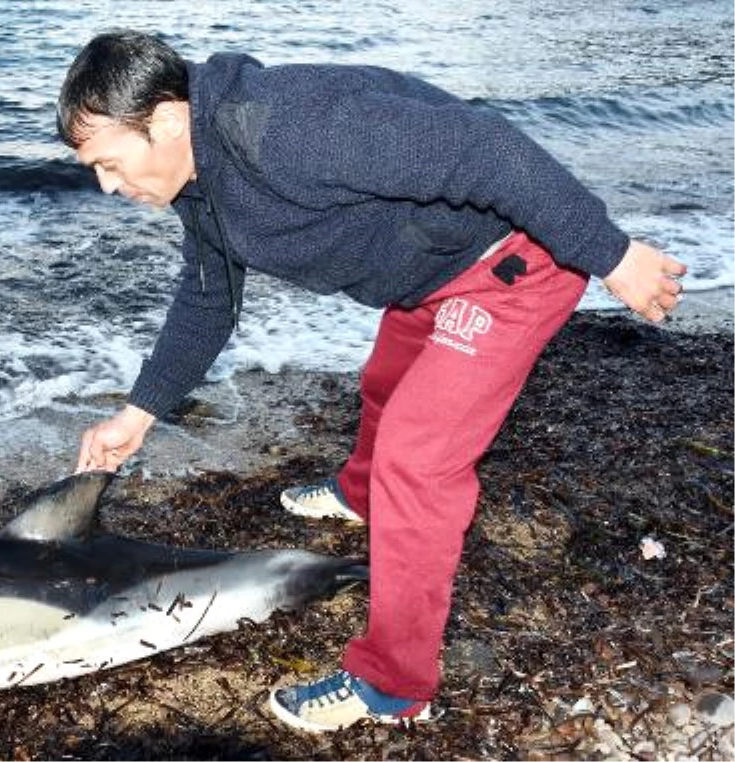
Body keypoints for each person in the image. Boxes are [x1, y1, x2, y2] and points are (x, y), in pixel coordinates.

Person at [57, 30, 686, 733]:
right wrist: (138, 415)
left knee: (416, 464)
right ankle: (359, 494)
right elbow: (209, 300)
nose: (107, 186)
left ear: (166, 121)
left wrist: (612, 253)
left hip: (513, 265)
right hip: (427, 275)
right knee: (386, 381)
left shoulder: (287, 128)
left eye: (109, 163)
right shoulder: (198, 180)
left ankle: (394, 683)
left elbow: (485, 149)